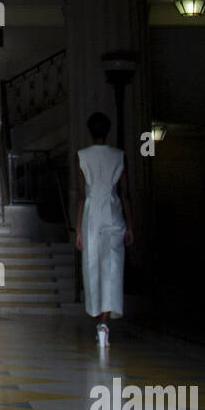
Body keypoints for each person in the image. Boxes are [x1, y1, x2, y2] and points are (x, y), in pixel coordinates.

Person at [74, 111, 133, 346]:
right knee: (113, 268)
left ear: (90, 132)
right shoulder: (119, 156)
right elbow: (125, 194)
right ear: (107, 132)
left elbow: (80, 195)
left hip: (91, 216)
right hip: (113, 212)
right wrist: (131, 225)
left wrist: (78, 229)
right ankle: (104, 323)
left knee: (93, 267)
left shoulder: (82, 156)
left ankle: (99, 318)